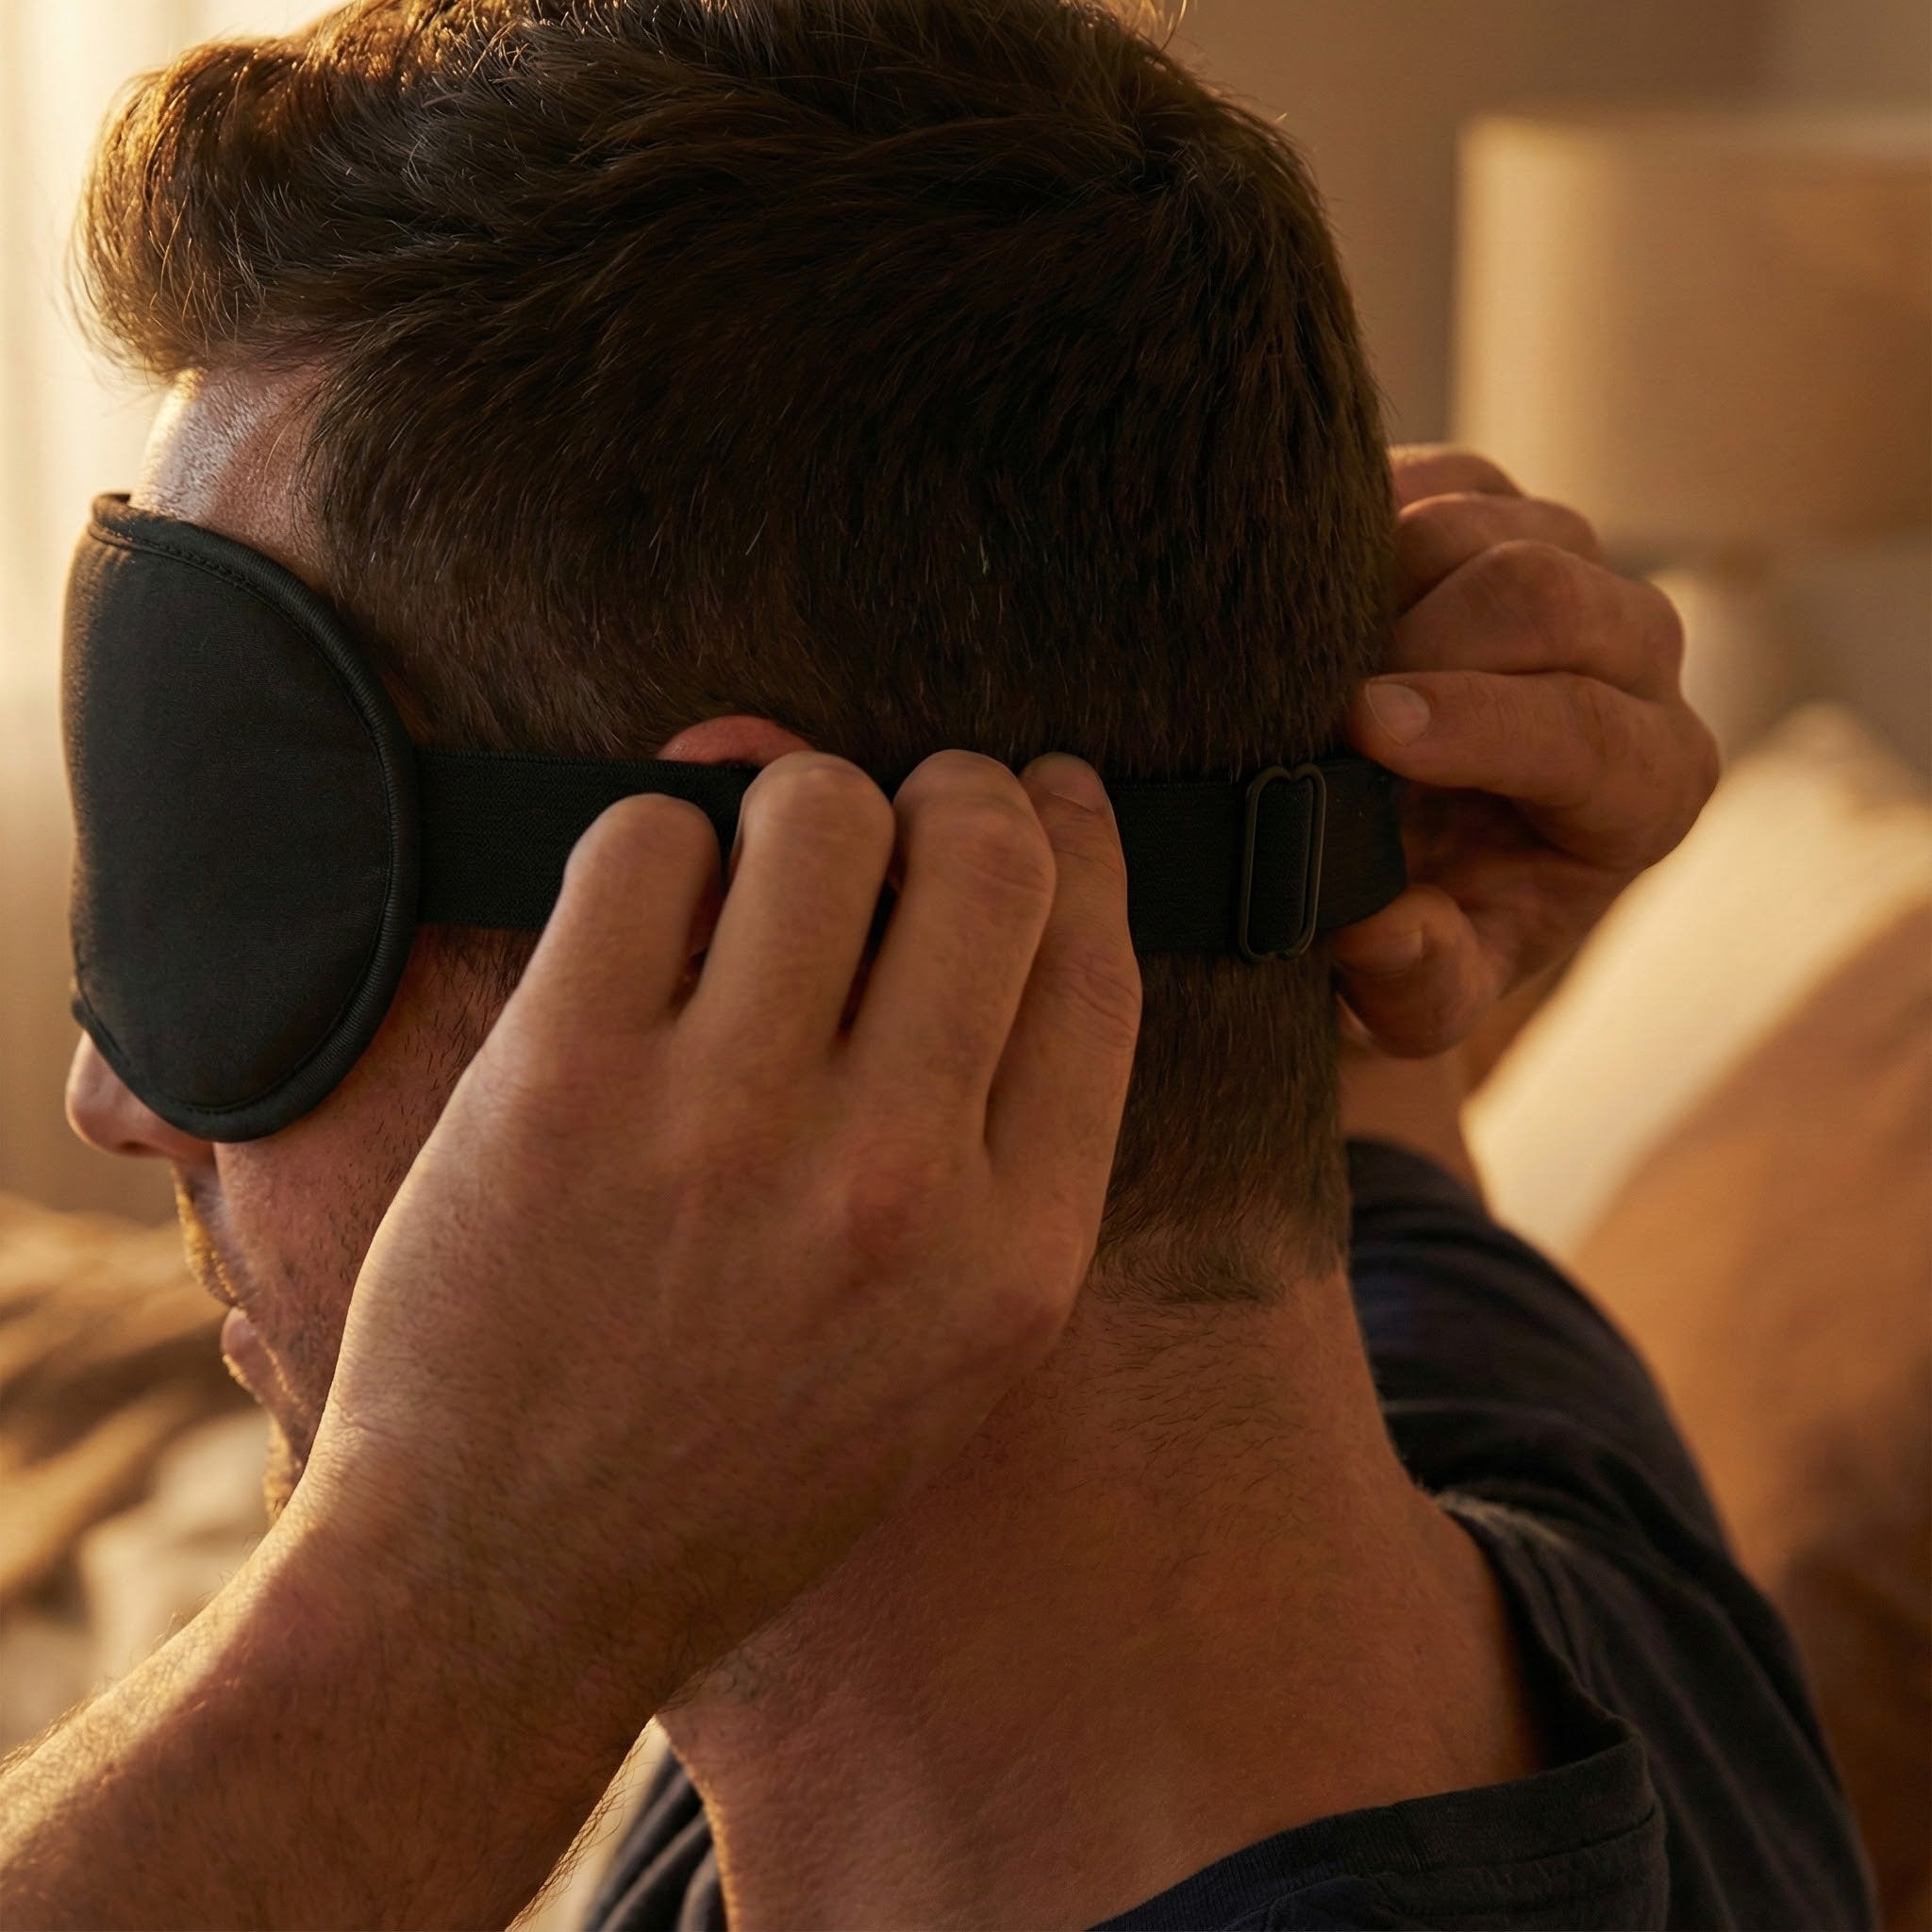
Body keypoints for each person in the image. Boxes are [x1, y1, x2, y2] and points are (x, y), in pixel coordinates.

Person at [0, 1, 1874, 1926]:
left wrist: (466, 1579)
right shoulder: (1581, 1559)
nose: (111, 1100)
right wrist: (1350, 758)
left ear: (790, 944)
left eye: (218, 899)